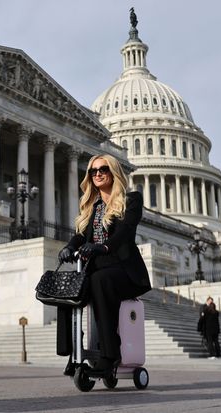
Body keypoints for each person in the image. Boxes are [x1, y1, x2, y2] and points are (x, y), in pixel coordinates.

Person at [57, 154, 152, 377]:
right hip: (98, 272)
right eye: (93, 171)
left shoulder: (132, 199)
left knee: (101, 281)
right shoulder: (93, 206)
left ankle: (109, 355)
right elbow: (80, 235)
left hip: (125, 273)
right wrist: (69, 247)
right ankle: (74, 352)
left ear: (114, 172)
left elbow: (125, 232)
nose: (97, 174)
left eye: (103, 169)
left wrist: (104, 247)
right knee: (67, 288)